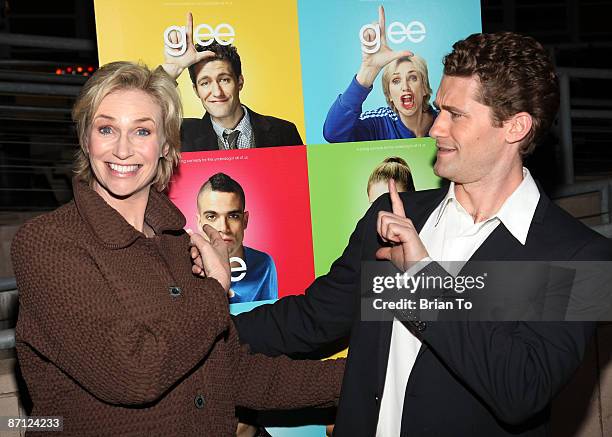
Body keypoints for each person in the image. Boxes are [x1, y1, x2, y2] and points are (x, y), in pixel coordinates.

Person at [209, 32, 612, 436]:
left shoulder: (579, 257)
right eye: (439, 110)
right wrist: (201, 330)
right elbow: (309, 320)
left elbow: (521, 389)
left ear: (515, 127)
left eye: (456, 114)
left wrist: (421, 277)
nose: (435, 128)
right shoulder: (394, 216)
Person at [10, 61, 344, 436]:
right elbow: (134, 372)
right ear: (86, 139)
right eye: (106, 129)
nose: (123, 149)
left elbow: (234, 373)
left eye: (142, 130)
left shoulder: (180, 246)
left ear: (166, 144)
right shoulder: (48, 242)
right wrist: (215, 288)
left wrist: (371, 371)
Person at [162, 13, 303, 152]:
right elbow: (143, 114)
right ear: (196, 90)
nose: (217, 92)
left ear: (240, 81)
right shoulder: (180, 135)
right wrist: (173, 69)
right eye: (205, 83)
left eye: (224, 80)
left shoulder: (285, 132)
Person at [323, 5, 436, 143]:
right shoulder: (379, 124)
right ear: (389, 95)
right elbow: (333, 134)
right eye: (396, 80)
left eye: (413, 78)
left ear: (424, 87)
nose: (405, 87)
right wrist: (368, 70)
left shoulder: (444, 122)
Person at [197, 172, 277, 304]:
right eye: (212, 216)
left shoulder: (263, 264)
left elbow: (272, 317)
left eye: (233, 216)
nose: (223, 227)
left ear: (245, 220)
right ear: (199, 222)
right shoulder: (185, 268)